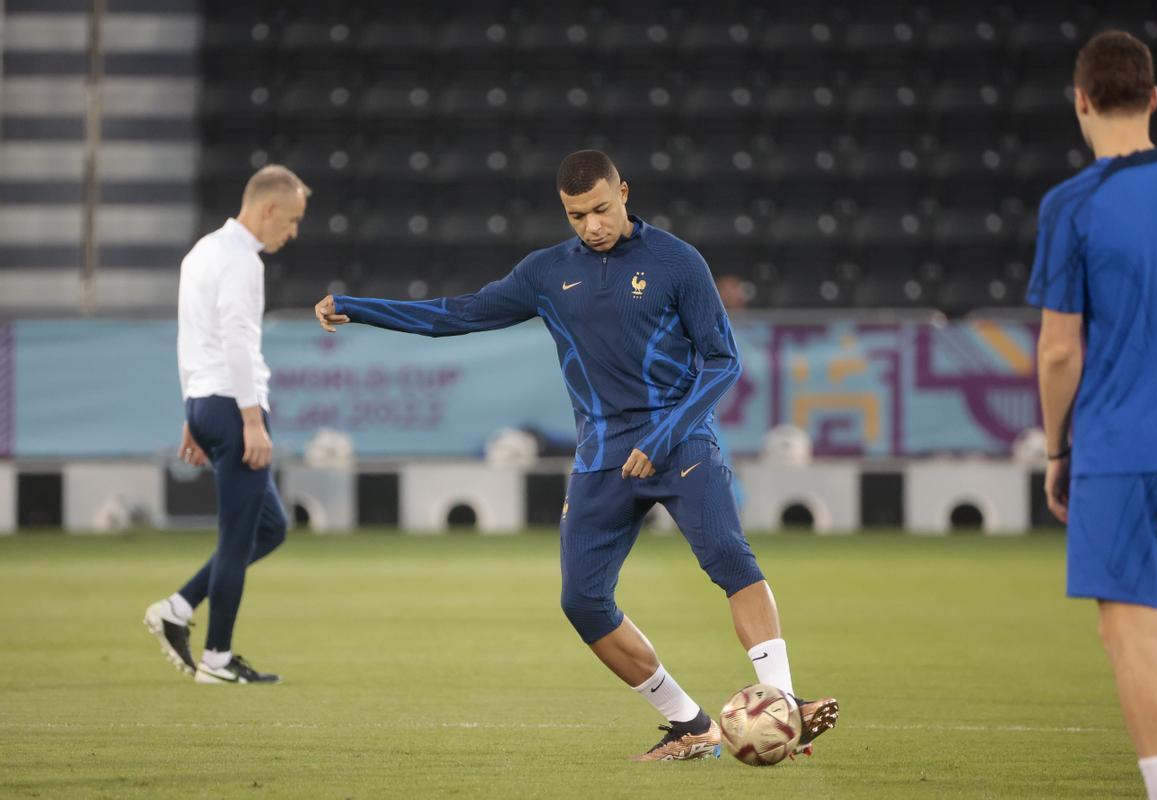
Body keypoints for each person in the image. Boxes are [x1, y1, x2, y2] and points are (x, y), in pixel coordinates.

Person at [314, 150, 838, 760]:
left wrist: (663, 436)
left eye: (600, 209)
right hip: (602, 457)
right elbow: (456, 315)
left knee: (728, 556)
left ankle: (782, 701)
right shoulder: (545, 274)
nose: (592, 225)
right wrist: (360, 308)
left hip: (681, 441)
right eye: (575, 215)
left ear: (624, 192)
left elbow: (724, 362)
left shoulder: (677, 262)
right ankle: (689, 723)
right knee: (582, 602)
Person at [1031, 31, 1157, 800]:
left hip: (1122, 446)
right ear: (1155, 99)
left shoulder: (1074, 204)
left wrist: (1057, 449)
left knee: (1128, 630)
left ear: (1082, 99)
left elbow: (1061, 350)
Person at [144, 165, 309, 685]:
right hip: (233, 406)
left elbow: (187, 339)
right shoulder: (241, 262)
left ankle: (178, 606)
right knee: (238, 538)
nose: (294, 231)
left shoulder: (201, 252)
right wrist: (251, 420)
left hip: (205, 400)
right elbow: (238, 341)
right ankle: (216, 659)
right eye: (292, 219)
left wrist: (192, 413)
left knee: (271, 527)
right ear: (267, 209)